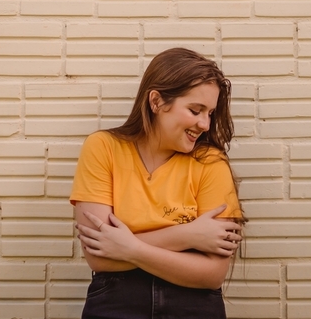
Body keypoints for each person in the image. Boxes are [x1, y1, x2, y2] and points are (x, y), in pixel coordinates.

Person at [70, 47, 244, 319]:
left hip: (193, 305)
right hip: (116, 302)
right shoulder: (103, 148)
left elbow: (212, 274)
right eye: (195, 110)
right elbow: (99, 256)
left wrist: (128, 247)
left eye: (210, 113)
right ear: (156, 101)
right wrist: (188, 235)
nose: (205, 124)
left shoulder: (211, 162)